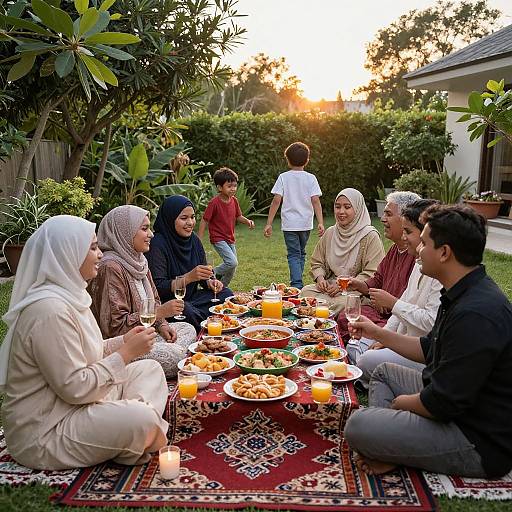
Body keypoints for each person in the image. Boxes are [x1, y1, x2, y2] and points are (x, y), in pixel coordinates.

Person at [344, 204, 512, 479]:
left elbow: (441, 403)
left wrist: (401, 404)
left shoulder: (476, 313)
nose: (418, 250)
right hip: (452, 407)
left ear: (444, 253)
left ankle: (390, 444)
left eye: (424, 243)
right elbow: (428, 348)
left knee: (358, 425)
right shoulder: (461, 292)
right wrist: (376, 332)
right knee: (384, 372)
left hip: (476, 439)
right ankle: (393, 444)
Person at [0, 215, 169, 470]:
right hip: (47, 430)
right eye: (92, 248)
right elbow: (75, 387)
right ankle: (130, 430)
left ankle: (123, 434)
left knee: (150, 369)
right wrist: (124, 354)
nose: (100, 254)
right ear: (67, 253)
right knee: (141, 418)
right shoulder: (48, 311)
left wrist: (123, 341)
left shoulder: (71, 294)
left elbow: (88, 351)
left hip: (81, 404)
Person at [89, 205, 196, 378]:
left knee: (187, 328)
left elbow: (154, 299)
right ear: (124, 232)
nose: (151, 234)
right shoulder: (110, 267)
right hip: (122, 347)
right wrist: (159, 312)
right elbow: (113, 329)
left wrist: (162, 324)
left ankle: (181, 355)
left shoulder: (139, 261)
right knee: (175, 355)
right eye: (144, 229)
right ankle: (181, 356)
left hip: (146, 334)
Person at [352, 199, 442, 384]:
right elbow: (400, 303)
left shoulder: (437, 271)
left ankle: (377, 378)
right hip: (401, 339)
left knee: (366, 359)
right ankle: (374, 377)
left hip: (419, 351)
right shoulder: (419, 263)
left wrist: (392, 305)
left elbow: (428, 324)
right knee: (356, 345)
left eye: (408, 231)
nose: (404, 236)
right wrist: (383, 336)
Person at [337, 191, 420, 338]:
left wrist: (388, 303)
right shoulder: (395, 249)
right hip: (381, 314)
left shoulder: (418, 256)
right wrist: (357, 284)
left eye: (388, 214)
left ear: (405, 219)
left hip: (398, 320)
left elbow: (411, 304)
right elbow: (376, 281)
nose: (382, 219)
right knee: (345, 317)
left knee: (358, 323)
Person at [147, 195, 232, 331]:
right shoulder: (157, 245)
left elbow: (204, 275)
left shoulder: (194, 240)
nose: (190, 222)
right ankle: (208, 324)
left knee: (227, 294)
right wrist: (188, 278)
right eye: (184, 218)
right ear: (170, 219)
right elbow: (158, 287)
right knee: (186, 311)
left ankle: (207, 320)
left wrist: (210, 283)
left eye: (192, 217)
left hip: (193, 298)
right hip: (170, 304)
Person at [300, 188, 385, 314]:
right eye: (338, 207)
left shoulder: (370, 236)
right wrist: (320, 279)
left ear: (358, 209)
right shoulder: (330, 233)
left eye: (347, 207)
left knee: (341, 304)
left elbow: (373, 273)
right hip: (329, 287)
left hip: (355, 291)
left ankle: (315, 315)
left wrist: (343, 285)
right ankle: (315, 314)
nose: (341, 212)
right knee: (305, 292)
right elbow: (317, 262)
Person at [263, 142, 324, 289]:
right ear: (307, 160)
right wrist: (320, 222)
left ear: (288, 160)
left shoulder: (283, 177)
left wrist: (269, 223)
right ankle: (298, 282)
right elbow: (315, 200)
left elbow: (276, 200)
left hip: (290, 225)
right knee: (301, 253)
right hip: (305, 224)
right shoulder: (311, 178)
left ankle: (296, 284)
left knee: (294, 254)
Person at [198, 167, 255, 286]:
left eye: (234, 186)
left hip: (230, 238)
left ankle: (221, 288)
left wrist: (248, 221)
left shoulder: (234, 201)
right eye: (229, 186)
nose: (233, 189)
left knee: (232, 268)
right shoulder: (214, 203)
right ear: (219, 187)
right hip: (218, 238)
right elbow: (204, 220)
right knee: (232, 262)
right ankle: (211, 274)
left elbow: (238, 216)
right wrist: (199, 238)